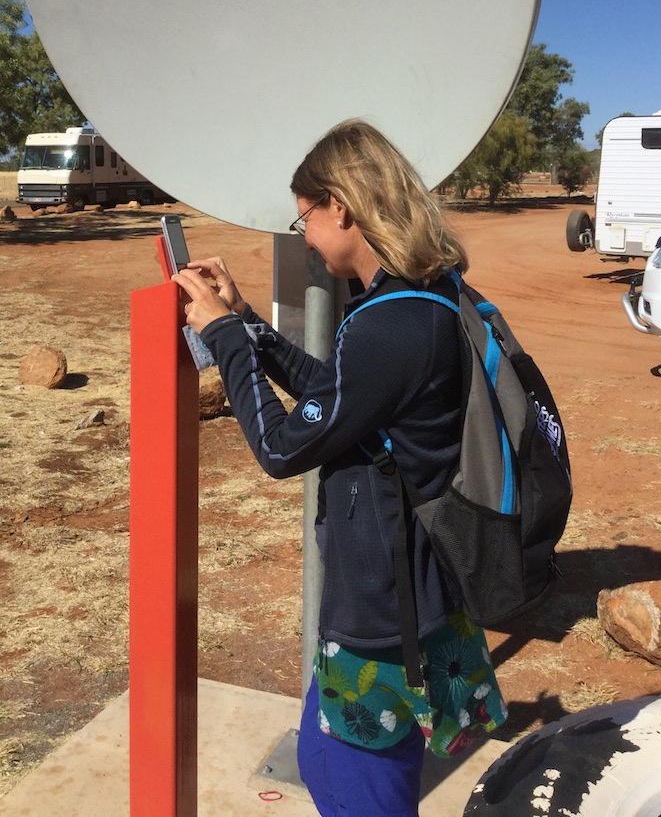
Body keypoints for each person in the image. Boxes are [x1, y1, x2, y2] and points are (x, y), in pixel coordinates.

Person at [173, 119, 505, 816]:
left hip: (387, 621)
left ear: (341, 207)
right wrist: (252, 328)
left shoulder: (391, 324)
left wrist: (223, 337)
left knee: (366, 796)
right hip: (397, 594)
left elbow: (282, 447)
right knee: (325, 762)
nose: (307, 240)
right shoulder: (419, 297)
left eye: (305, 221)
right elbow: (344, 397)